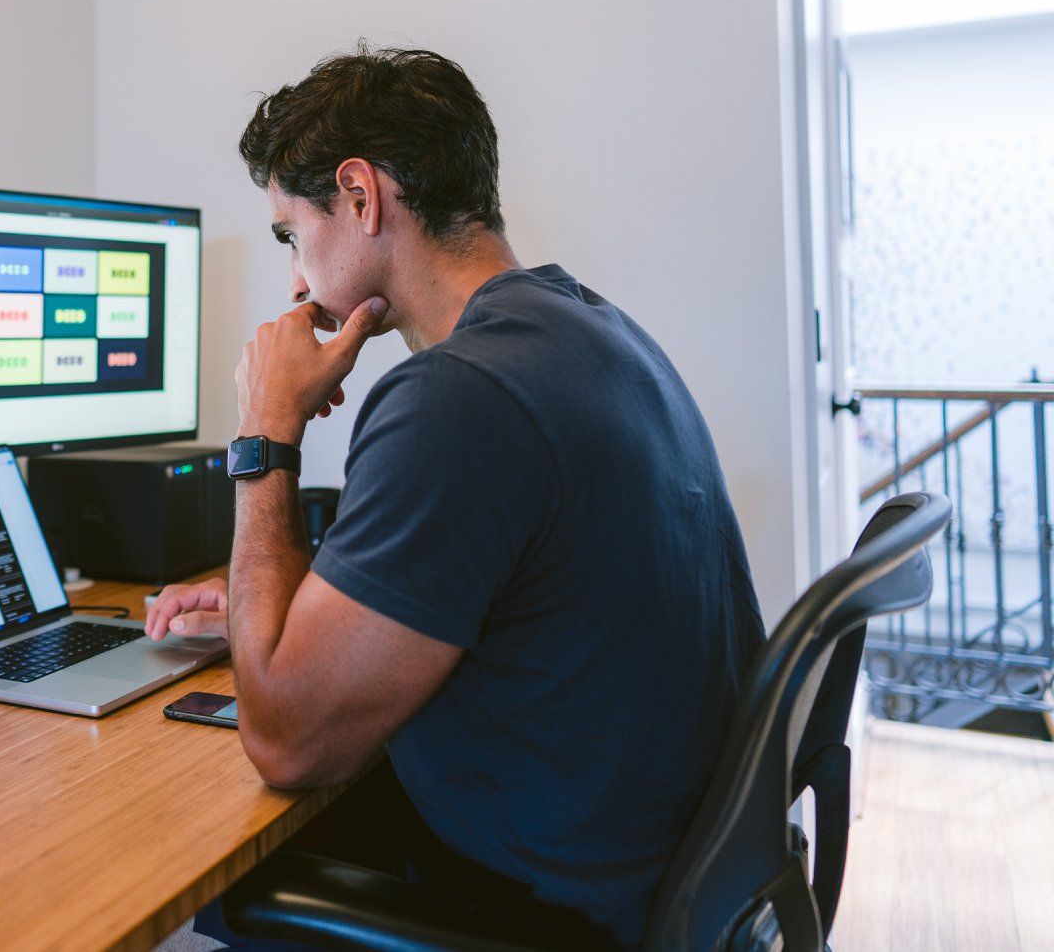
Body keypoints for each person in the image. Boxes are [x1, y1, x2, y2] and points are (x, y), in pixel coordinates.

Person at [150, 47, 766, 949]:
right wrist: (292, 605)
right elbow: (512, 575)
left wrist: (264, 436)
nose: (292, 281)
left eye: (291, 233)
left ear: (361, 197)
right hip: (672, 885)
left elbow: (285, 739)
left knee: (212, 880)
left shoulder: (456, 396)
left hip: (554, 914)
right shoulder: (588, 330)